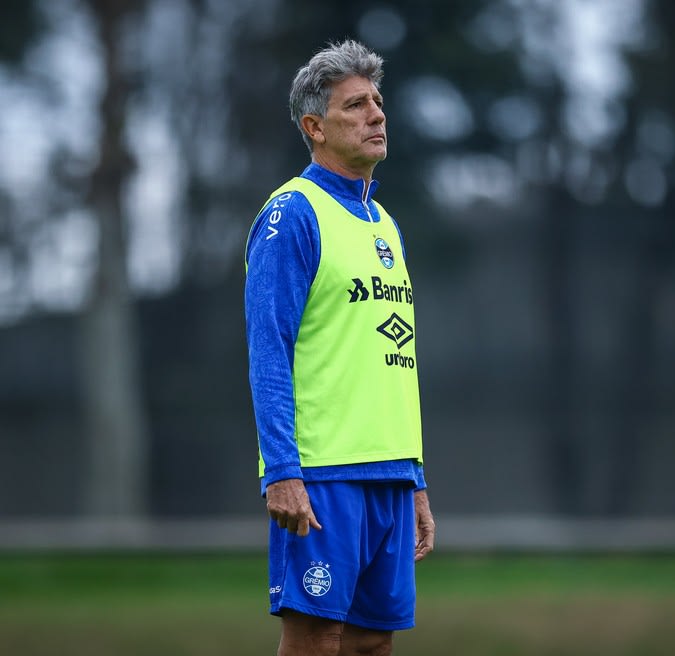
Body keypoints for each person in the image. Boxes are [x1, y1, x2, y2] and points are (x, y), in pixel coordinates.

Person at [244, 40, 435, 656]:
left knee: (373, 643)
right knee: (317, 641)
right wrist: (282, 471)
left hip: (390, 475)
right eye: (356, 106)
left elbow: (391, 363)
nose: (377, 115)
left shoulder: (385, 224)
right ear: (315, 127)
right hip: (323, 473)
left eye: (378, 102)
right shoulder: (293, 213)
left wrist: (416, 478)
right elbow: (267, 347)